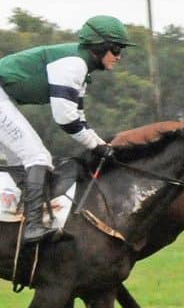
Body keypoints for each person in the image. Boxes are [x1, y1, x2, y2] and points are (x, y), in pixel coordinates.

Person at [0, 15, 132, 243]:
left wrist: (101, 145)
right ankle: (32, 227)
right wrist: (97, 147)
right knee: (38, 157)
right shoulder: (74, 64)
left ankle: (16, 227)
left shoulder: (82, 69)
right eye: (116, 48)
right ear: (99, 47)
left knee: (26, 163)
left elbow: (79, 116)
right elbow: (65, 118)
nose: (119, 56)